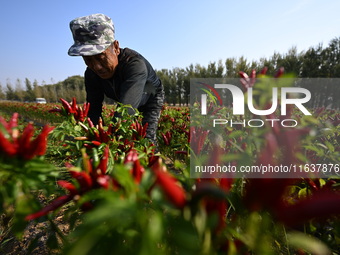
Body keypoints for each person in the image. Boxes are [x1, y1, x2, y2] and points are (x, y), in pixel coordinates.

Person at [68, 13, 164, 146]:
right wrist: (94, 136)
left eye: (101, 57)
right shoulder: (91, 73)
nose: (97, 67)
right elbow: (93, 108)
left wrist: (108, 141)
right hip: (124, 98)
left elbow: (126, 110)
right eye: (88, 59)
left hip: (150, 99)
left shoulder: (134, 65)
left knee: (146, 141)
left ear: (116, 47)